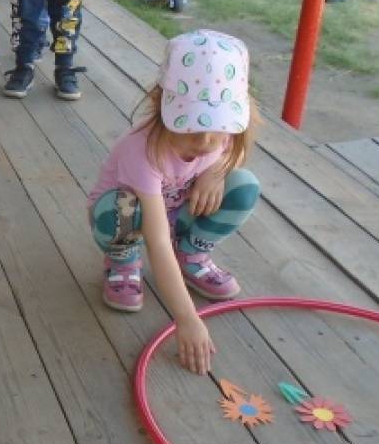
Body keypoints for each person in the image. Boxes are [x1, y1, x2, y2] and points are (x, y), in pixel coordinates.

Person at [88, 31, 260, 375]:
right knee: (122, 205)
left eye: (219, 127)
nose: (206, 140)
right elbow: (157, 242)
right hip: (132, 222)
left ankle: (193, 254)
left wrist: (217, 172)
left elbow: (228, 155)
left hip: (178, 217)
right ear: (161, 103)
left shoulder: (220, 138)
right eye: (193, 126)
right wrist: (187, 318)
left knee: (243, 185)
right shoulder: (142, 150)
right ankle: (122, 262)